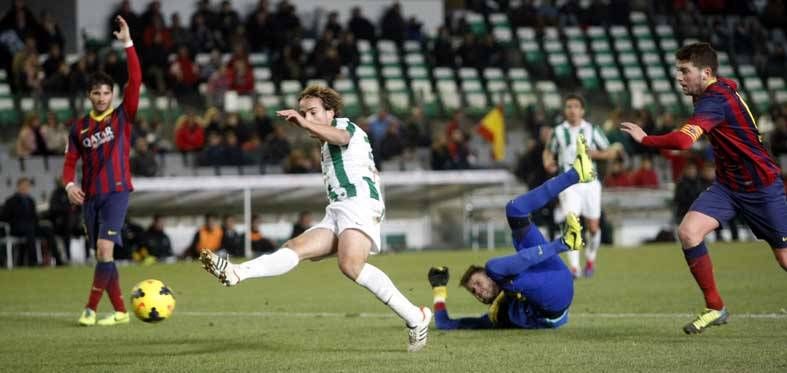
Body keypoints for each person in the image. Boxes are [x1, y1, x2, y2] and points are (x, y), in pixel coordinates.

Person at [200, 85, 432, 352]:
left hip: (359, 204)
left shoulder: (347, 127)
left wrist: (301, 122)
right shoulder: (325, 142)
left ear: (331, 111)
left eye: (313, 112)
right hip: (339, 208)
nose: (307, 118)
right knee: (294, 248)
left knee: (350, 265)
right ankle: (237, 272)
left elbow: (342, 137)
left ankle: (416, 318)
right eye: (303, 113)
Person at [620, 42, 787, 334]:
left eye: (685, 71)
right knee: (688, 232)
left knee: (784, 258)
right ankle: (715, 307)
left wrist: (646, 139)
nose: (679, 77)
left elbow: (684, 141)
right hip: (728, 186)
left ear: (706, 72)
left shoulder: (714, 100)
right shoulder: (713, 91)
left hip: (762, 186)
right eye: (678, 71)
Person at [427, 136, 593, 330]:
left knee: (515, 210)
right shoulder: (495, 315)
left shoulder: (497, 277)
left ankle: (576, 173)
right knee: (497, 267)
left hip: (555, 272)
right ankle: (564, 242)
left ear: (487, 278)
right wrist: (439, 291)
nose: (478, 292)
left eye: (478, 284)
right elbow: (445, 324)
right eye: (474, 292)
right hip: (554, 303)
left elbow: (503, 270)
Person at [62, 16, 140, 327]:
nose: (102, 97)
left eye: (106, 93)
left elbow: (135, 80)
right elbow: (69, 163)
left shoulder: (123, 116)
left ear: (112, 95)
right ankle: (121, 312)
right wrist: (69, 185)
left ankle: (90, 309)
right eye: (96, 94)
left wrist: (128, 44)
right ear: (89, 96)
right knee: (102, 256)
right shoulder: (78, 127)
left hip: (118, 191)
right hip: (90, 197)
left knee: (105, 248)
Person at [543, 94, 621, 278]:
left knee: (593, 227)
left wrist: (593, 154)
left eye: (576, 106)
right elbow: (548, 151)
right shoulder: (558, 131)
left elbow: (610, 152)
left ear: (582, 110)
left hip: (590, 184)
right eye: (569, 106)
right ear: (565, 110)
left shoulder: (592, 130)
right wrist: (547, 162)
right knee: (572, 223)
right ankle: (574, 268)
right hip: (568, 183)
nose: (572, 110)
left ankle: (591, 259)